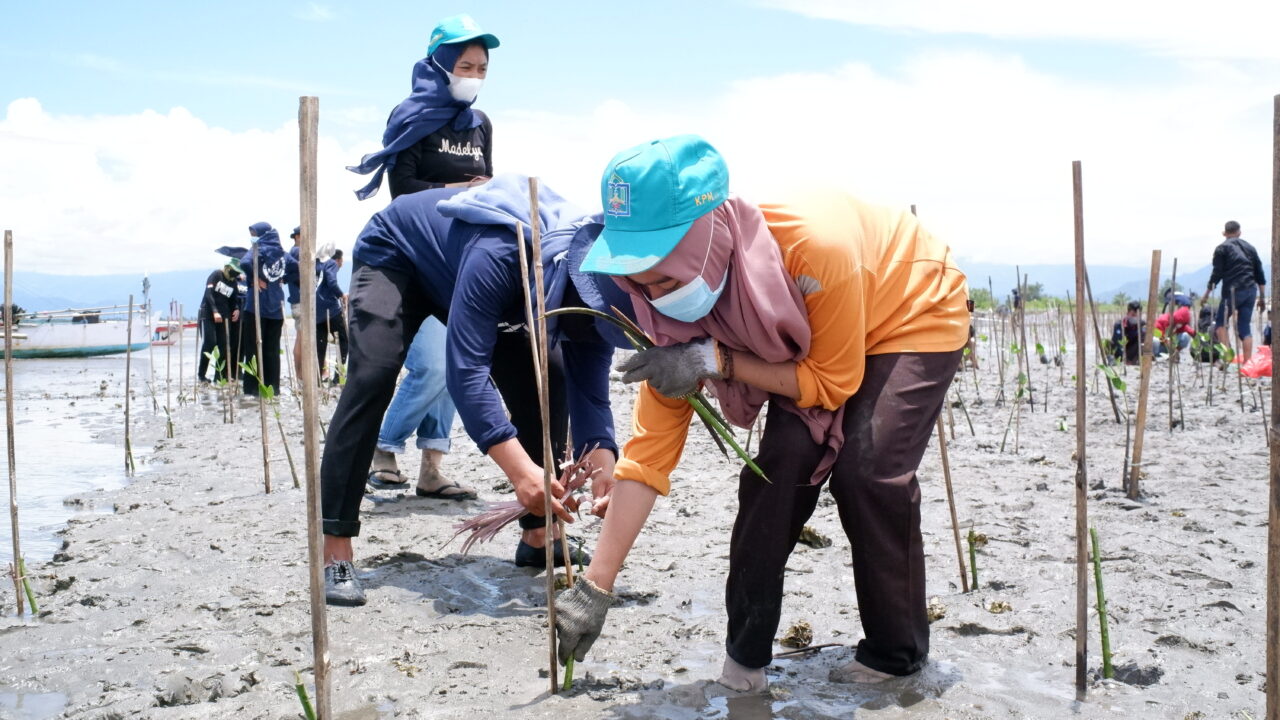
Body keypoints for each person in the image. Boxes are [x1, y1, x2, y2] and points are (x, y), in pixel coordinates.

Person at [554, 135, 969, 691]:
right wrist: (596, 586)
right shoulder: (661, 313)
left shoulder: (813, 248)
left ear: (703, 242)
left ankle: (896, 654)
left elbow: (833, 380)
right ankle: (745, 661)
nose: (655, 297)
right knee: (775, 471)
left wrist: (713, 358)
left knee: (866, 472)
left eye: (668, 278)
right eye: (641, 283)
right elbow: (648, 456)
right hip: (799, 347)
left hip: (908, 307)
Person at [320, 176, 635, 607]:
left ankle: (538, 535)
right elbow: (466, 373)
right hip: (399, 252)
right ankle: (335, 549)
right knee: (373, 374)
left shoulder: (601, 290)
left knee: (554, 376)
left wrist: (605, 468)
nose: (589, 334)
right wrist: (522, 474)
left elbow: (592, 397)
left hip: (484, 282)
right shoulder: (502, 255)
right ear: (564, 293)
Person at [352, 14, 499, 495]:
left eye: (481, 67)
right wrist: (461, 188)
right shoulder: (410, 117)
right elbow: (404, 192)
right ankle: (383, 445)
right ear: (439, 63)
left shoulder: (480, 124)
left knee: (456, 364)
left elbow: (487, 185)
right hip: (415, 256)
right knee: (433, 365)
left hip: (462, 258)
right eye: (465, 64)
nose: (473, 75)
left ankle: (432, 468)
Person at [1205, 220, 1267, 363]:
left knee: (1220, 324)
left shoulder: (1222, 248)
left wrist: (1206, 293)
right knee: (1245, 327)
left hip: (1232, 292)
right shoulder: (1250, 248)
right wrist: (1262, 297)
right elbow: (1260, 274)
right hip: (1251, 290)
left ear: (1224, 233)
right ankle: (1247, 363)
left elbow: (1217, 274)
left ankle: (1228, 359)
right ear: (1239, 232)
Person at [238, 222, 289, 397]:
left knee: (253, 349)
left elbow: (244, 262)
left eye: (254, 233)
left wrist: (254, 278)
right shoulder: (282, 254)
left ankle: (252, 390)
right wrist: (283, 279)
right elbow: (296, 267)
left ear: (263, 234)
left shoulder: (258, 248)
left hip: (256, 307)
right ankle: (272, 388)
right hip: (276, 307)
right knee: (272, 350)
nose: (253, 237)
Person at [197, 257, 243, 383]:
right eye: (233, 271)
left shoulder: (233, 283)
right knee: (210, 343)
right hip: (208, 314)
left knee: (224, 346)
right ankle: (201, 375)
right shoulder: (216, 275)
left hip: (224, 317)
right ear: (227, 268)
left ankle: (219, 376)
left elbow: (234, 299)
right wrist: (215, 311)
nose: (235, 274)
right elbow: (208, 293)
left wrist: (237, 309)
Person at [315, 249, 349, 383]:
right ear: (339, 260)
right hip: (330, 309)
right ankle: (338, 377)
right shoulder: (332, 264)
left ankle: (317, 380)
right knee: (344, 341)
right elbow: (332, 281)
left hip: (317, 311)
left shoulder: (322, 265)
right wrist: (341, 294)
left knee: (320, 344)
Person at [1110, 300, 1145, 365]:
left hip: (1134, 351)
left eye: (1138, 315)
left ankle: (1136, 360)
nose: (1135, 317)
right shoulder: (1119, 324)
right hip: (1123, 350)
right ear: (1127, 313)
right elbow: (1117, 342)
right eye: (1133, 314)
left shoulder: (1143, 324)